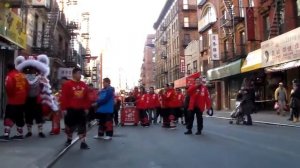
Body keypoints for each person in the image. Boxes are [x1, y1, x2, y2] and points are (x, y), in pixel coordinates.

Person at [61, 68, 90, 149]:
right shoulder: (67, 84)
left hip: (81, 109)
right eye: (78, 73)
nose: (80, 75)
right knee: (70, 126)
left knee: (82, 126)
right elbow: (64, 97)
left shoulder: (84, 85)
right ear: (73, 74)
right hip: (70, 109)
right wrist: (64, 109)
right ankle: (69, 139)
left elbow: (87, 97)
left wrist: (86, 107)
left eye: (80, 73)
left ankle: (83, 142)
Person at [0, 64, 29, 141]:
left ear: (8, 69)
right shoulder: (22, 75)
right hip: (22, 100)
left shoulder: (10, 75)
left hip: (13, 100)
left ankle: (6, 134)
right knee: (19, 117)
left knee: (9, 116)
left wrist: (10, 96)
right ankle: (20, 134)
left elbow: (8, 86)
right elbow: (27, 86)